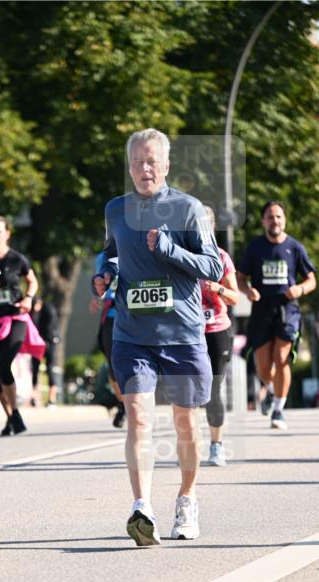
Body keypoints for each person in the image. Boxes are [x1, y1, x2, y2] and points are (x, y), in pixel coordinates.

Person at [93, 128, 221, 545]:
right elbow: (111, 250)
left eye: (152, 161)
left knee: (185, 422)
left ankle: (186, 499)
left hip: (183, 334)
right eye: (137, 162)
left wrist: (169, 250)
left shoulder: (189, 209)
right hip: (133, 335)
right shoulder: (115, 209)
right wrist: (105, 272)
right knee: (138, 417)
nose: (144, 169)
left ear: (166, 166)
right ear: (128, 167)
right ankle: (141, 506)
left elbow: (213, 268)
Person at [236, 201, 316, 431]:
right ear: (264, 221)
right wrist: (248, 290)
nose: (275, 221)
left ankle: (279, 409)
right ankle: (270, 390)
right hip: (262, 310)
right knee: (263, 365)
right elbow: (240, 277)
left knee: (281, 358)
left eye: (279, 217)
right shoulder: (255, 248)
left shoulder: (295, 247)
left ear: (285, 220)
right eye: (270, 217)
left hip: (287, 309)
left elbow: (311, 279)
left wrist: (299, 289)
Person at [0, 216, 44, 435]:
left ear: (8, 233)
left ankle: (15, 413)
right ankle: (11, 417)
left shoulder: (17, 259)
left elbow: (33, 280)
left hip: (16, 318)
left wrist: (29, 297)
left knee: (4, 364)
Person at [199, 206, 239, 467]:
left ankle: (216, 446)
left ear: (211, 227)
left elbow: (235, 297)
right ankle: (189, 445)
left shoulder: (221, 257)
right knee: (188, 392)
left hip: (216, 330)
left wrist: (218, 288)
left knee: (213, 390)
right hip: (188, 332)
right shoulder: (180, 256)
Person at [91, 250, 125, 427]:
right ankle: (122, 404)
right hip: (112, 316)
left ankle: (136, 403)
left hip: (137, 316)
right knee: (113, 365)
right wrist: (97, 297)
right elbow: (100, 286)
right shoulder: (103, 257)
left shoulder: (139, 244)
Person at [31, 294, 59, 406]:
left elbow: (49, 329)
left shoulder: (48, 310)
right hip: (38, 342)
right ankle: (34, 396)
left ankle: (52, 397)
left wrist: (45, 342)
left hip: (50, 341)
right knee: (35, 368)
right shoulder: (34, 312)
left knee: (50, 368)